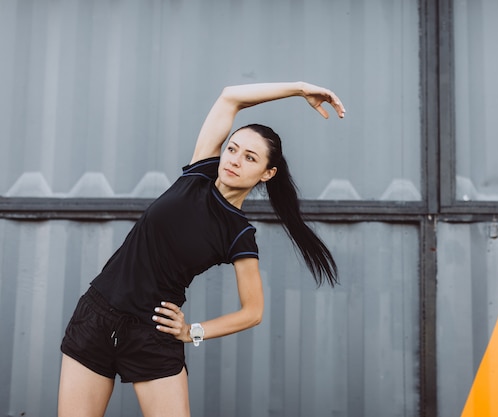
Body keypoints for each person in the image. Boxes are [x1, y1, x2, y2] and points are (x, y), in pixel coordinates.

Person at [57, 82, 346, 417]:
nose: (235, 160)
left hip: (152, 334)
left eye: (249, 157)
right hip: (96, 315)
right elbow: (231, 96)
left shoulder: (239, 234)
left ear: (267, 173)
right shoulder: (200, 171)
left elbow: (253, 312)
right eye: (233, 149)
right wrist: (299, 89)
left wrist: (192, 332)